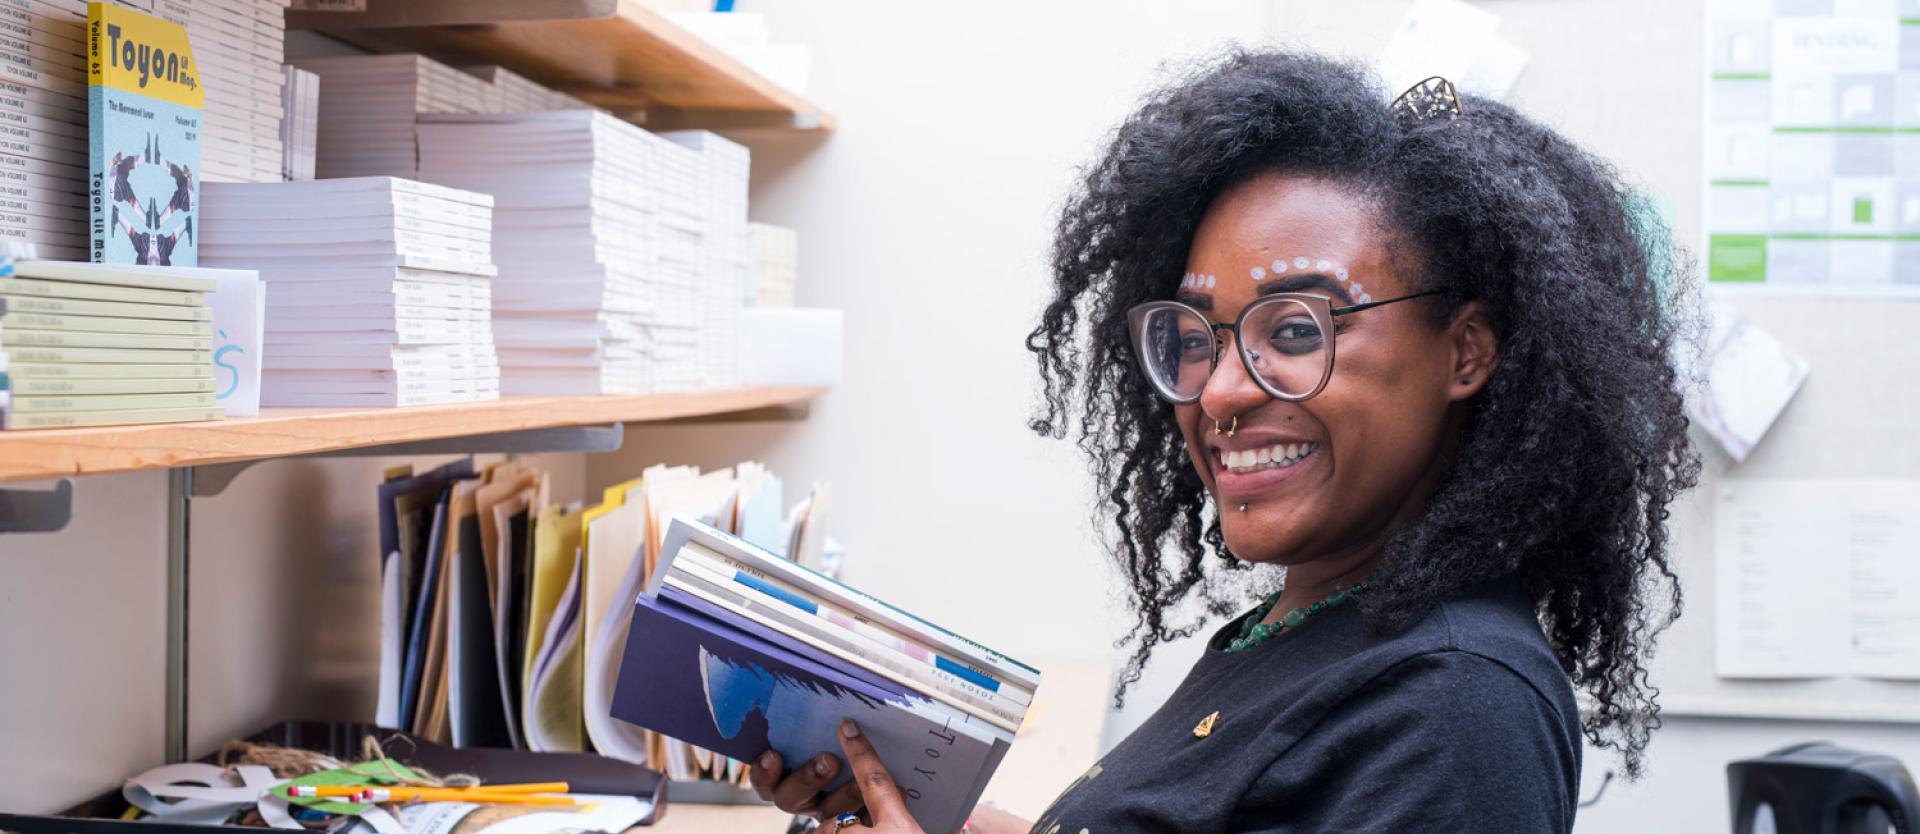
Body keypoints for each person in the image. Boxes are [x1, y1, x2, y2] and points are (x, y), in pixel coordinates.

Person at [749, 50, 1699, 833]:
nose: (1223, 390)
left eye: (1296, 331)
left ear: (1466, 351)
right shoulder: (1317, 622)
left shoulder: (1456, 711)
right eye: (1198, 339)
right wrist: (936, 812)